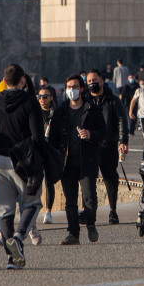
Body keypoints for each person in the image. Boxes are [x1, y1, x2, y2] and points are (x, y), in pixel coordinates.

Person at [0, 64, 46, 268]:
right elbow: (38, 137)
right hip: (21, 160)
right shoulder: (30, 102)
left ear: (4, 82)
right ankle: (19, 238)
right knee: (32, 203)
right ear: (22, 80)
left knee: (4, 210)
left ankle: (12, 258)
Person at [46, 74, 105, 245]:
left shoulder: (92, 110)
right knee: (70, 200)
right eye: (69, 87)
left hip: (87, 161)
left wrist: (91, 135)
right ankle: (73, 233)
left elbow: (103, 133)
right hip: (67, 163)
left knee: (90, 198)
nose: (72, 90)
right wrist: (55, 157)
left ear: (82, 89)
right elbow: (53, 139)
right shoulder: (60, 112)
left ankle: (90, 223)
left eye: (75, 87)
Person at [84, 70, 129, 225]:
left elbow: (122, 120)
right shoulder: (85, 101)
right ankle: (90, 212)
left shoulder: (113, 100)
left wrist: (123, 140)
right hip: (89, 146)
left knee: (110, 178)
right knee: (89, 180)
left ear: (102, 81)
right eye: (89, 81)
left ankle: (113, 210)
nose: (91, 83)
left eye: (94, 80)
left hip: (108, 145)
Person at [36, 86, 59, 226]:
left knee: (49, 182)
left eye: (45, 97)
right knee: (35, 182)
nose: (42, 99)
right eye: (40, 97)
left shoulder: (55, 114)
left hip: (50, 151)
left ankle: (48, 211)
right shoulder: (35, 113)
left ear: (51, 98)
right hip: (37, 150)